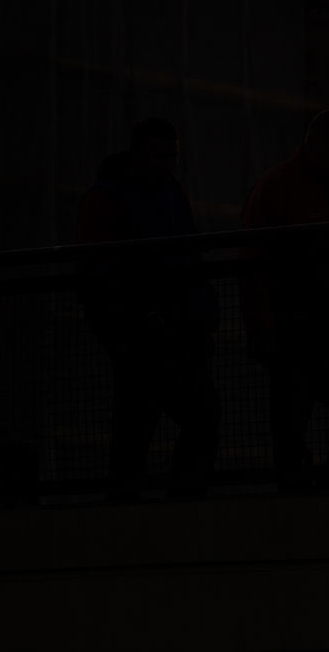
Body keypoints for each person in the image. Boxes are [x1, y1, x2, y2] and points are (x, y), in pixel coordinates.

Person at [76, 117, 221, 497]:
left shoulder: (155, 193)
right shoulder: (121, 198)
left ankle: (140, 501)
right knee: (170, 414)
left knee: (145, 419)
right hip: (143, 332)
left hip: (162, 329)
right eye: (161, 155)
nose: (169, 163)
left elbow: (189, 258)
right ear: (139, 154)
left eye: (172, 156)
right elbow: (101, 271)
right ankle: (169, 496)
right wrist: (134, 318)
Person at [241, 109, 329, 489]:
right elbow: (256, 261)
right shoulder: (284, 187)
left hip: (320, 327)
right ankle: (315, 487)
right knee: (299, 423)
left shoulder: (323, 188)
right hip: (295, 329)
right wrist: (264, 327)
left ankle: (313, 487)